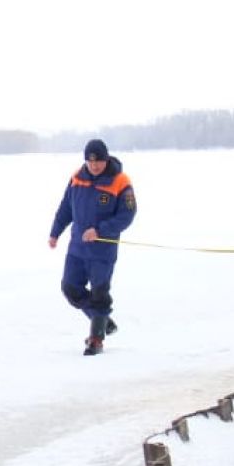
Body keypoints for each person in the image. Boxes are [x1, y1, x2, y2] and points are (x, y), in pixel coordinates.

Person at [48, 139, 138, 355]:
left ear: (106, 159)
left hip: (102, 250)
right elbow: (65, 208)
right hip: (77, 248)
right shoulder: (77, 178)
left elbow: (127, 214)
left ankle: (96, 339)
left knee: (99, 292)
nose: (94, 165)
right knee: (70, 288)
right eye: (90, 161)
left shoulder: (120, 181)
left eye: (98, 161)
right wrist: (55, 232)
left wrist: (101, 230)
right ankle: (103, 319)